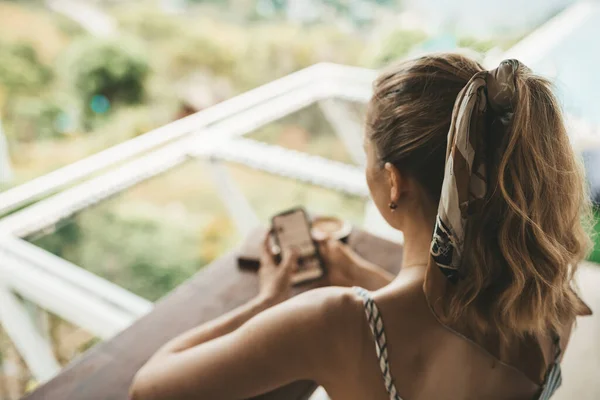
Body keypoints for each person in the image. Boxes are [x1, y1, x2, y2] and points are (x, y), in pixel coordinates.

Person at [129, 53, 593, 400]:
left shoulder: (333, 324)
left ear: (393, 182)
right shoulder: (550, 301)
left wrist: (265, 302)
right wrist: (359, 275)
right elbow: (447, 321)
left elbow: (151, 387)